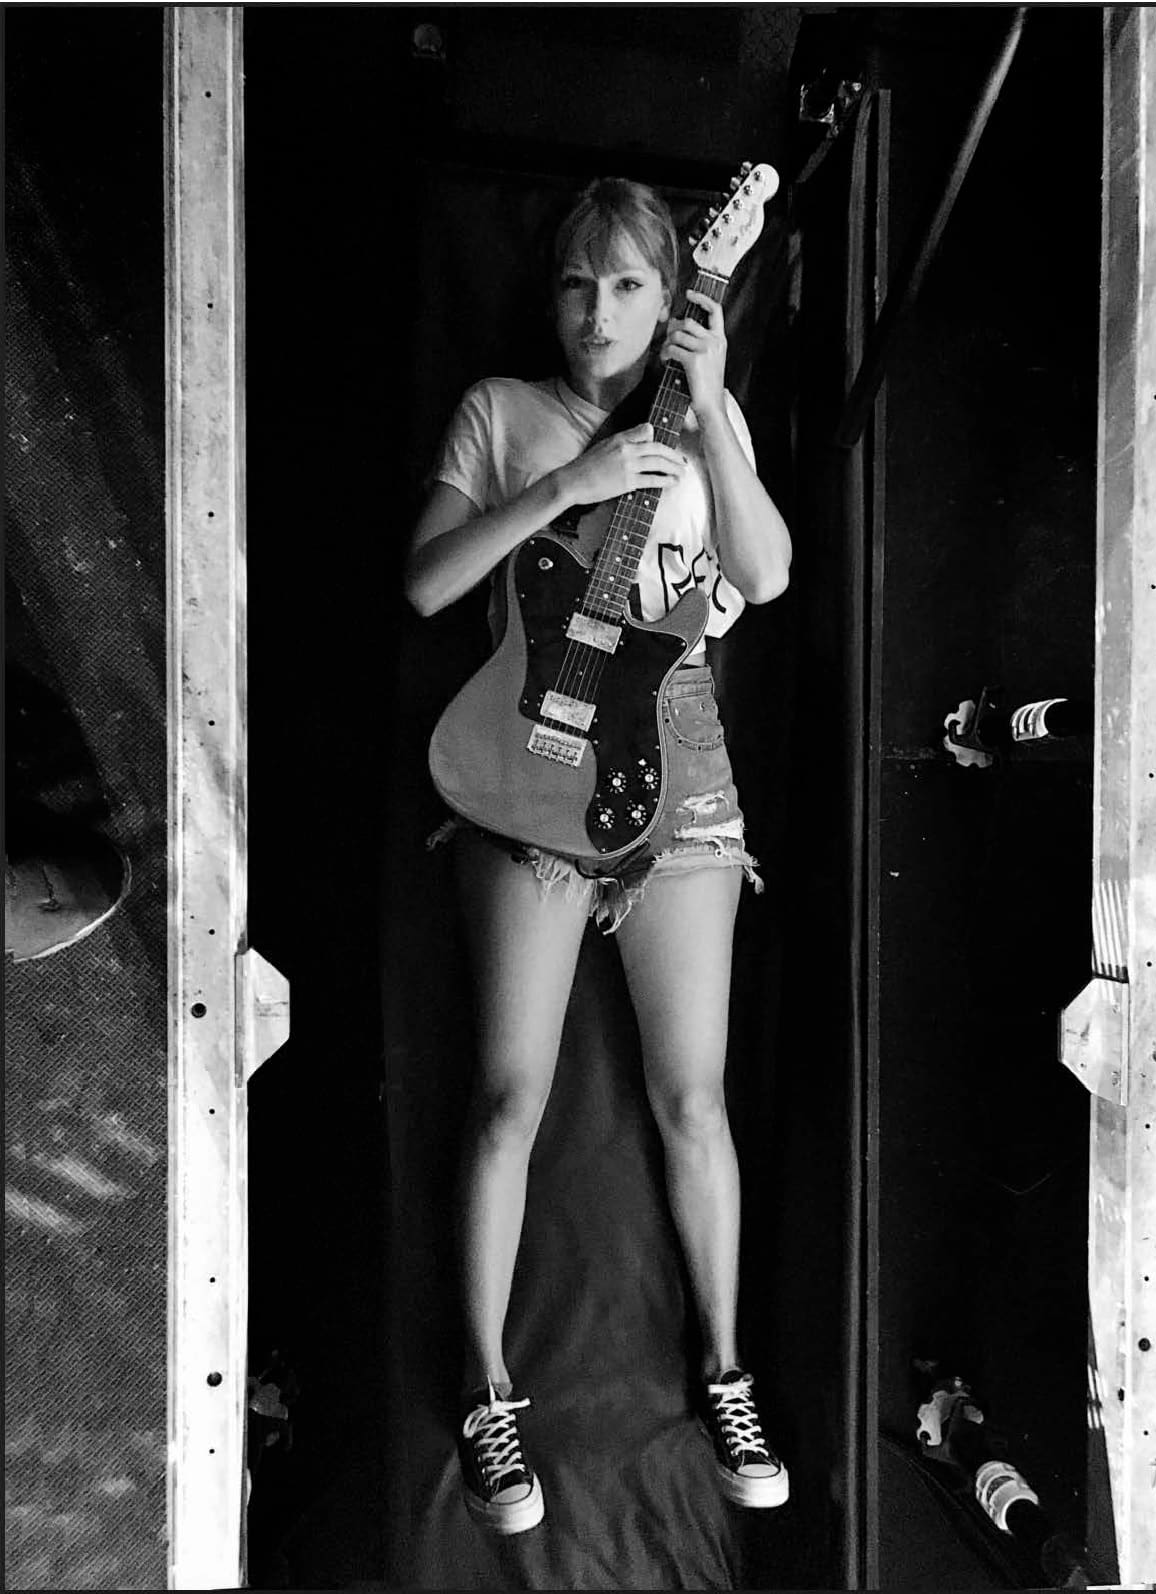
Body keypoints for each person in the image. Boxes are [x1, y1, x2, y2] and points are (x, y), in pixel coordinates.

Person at [405, 177, 793, 1535]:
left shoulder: (708, 414)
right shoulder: (500, 411)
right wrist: (568, 486)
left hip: (677, 757)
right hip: (530, 752)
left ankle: (728, 1375)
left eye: (629, 284)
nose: (599, 312)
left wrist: (716, 403)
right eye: (578, 282)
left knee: (694, 1097)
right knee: (509, 1096)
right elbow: (427, 582)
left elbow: (767, 575)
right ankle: (488, 1391)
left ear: (674, 292)